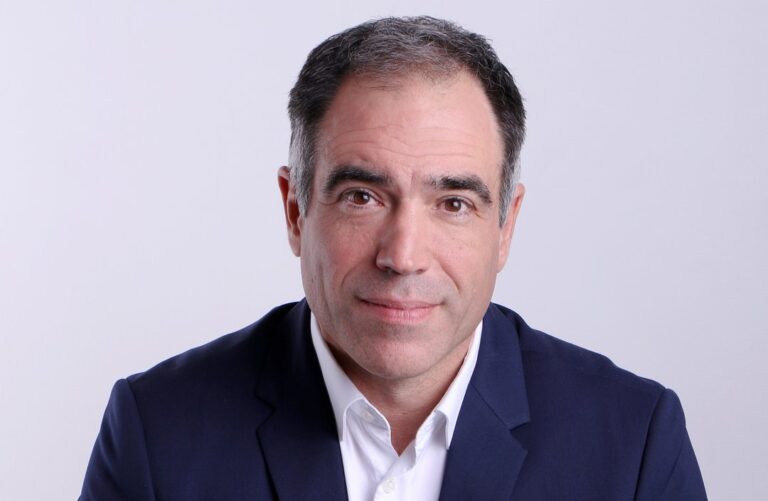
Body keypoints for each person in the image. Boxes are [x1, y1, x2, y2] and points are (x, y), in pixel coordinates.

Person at [80, 16, 707, 500]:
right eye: (362, 197)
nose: (403, 257)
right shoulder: (157, 435)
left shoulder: (633, 445)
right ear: (295, 211)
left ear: (506, 227)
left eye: (454, 203)